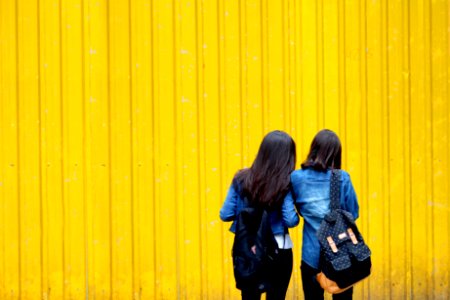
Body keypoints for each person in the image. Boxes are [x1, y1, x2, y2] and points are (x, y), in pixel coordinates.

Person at [220, 130, 299, 300]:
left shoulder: (241, 178)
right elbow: (290, 220)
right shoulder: (285, 182)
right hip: (278, 250)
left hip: (248, 248)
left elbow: (225, 214)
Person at [290, 129, 359, 300]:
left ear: (313, 149)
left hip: (311, 256)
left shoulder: (296, 178)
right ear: (336, 153)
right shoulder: (342, 178)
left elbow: (293, 209)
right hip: (341, 253)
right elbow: (354, 213)